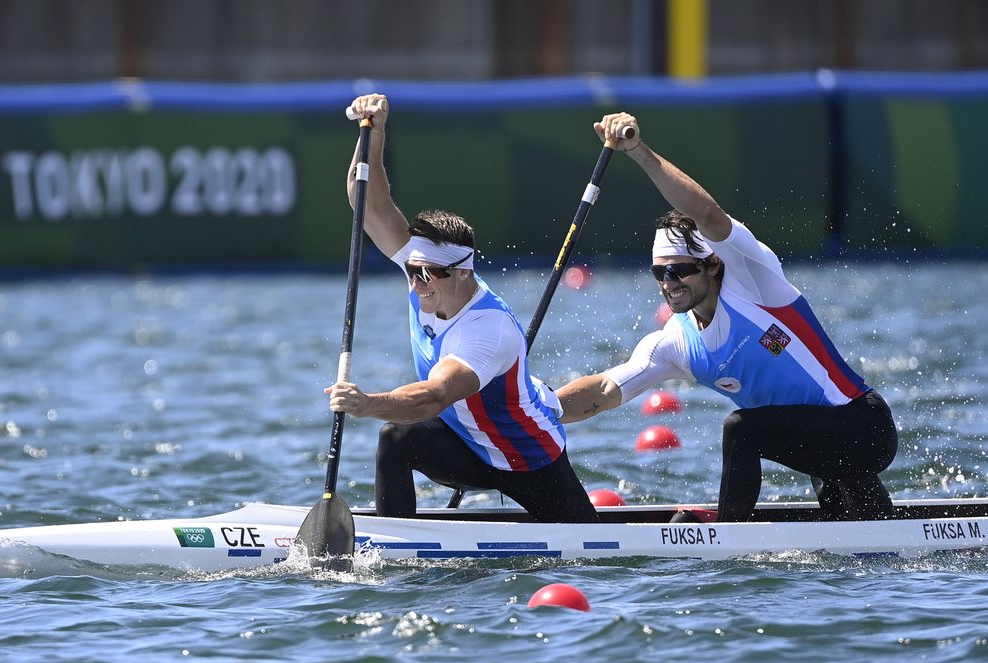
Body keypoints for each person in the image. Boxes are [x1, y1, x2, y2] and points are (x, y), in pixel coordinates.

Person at [556, 111, 898, 523]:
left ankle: (726, 535)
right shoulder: (674, 343)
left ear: (713, 265)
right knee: (862, 535)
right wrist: (529, 412)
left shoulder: (754, 281)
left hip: (862, 425)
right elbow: (605, 390)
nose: (669, 282)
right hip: (817, 445)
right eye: (658, 272)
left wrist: (637, 152)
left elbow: (708, 214)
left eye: (680, 269)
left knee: (741, 428)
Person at [326, 94, 599, 524]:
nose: (415, 283)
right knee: (395, 439)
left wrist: (365, 403)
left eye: (426, 275)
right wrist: (374, 133)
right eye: (411, 271)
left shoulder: (486, 329)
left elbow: (434, 396)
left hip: (525, 459)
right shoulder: (424, 269)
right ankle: (398, 546)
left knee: (588, 542)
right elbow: (370, 205)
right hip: (463, 444)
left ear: (462, 274)